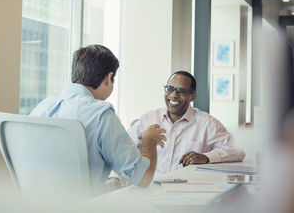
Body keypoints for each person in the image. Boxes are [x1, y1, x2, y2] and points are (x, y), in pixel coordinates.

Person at [29, 45, 166, 194]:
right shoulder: (101, 115)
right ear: (108, 78)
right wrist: (149, 142)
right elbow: (143, 177)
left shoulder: (41, 107)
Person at [107, 71, 245, 189]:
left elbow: (238, 150)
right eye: (170, 89)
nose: (173, 95)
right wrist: (113, 177)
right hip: (149, 189)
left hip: (187, 192)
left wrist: (206, 157)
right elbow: (123, 149)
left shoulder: (207, 123)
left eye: (181, 91)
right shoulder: (148, 119)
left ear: (193, 95)